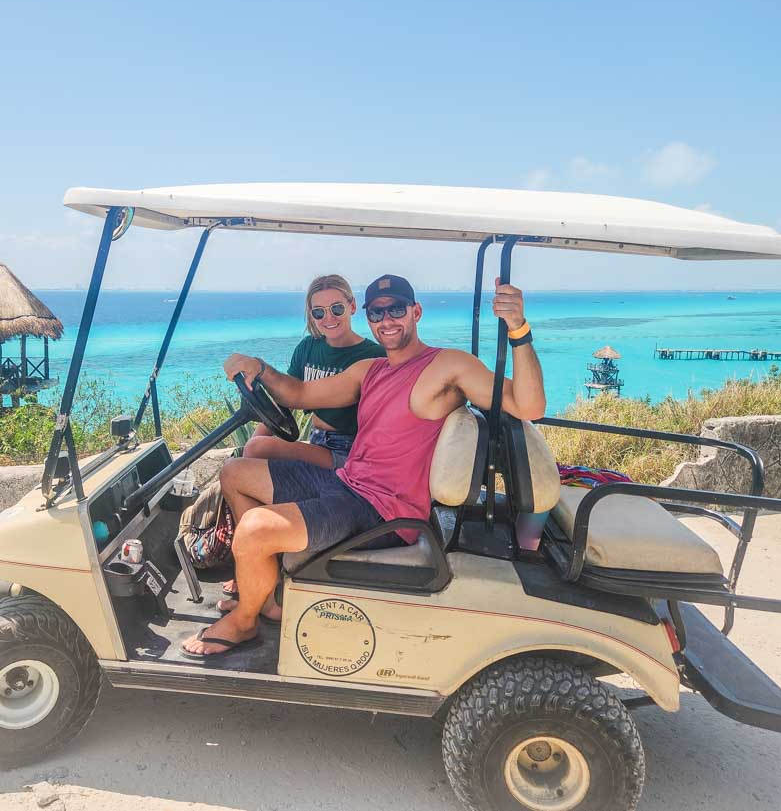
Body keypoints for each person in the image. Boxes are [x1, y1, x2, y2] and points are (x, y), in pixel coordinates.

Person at [182, 274, 546, 658]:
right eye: (377, 313)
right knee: (234, 472)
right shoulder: (370, 370)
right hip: (346, 483)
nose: (387, 321)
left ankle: (244, 622)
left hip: (383, 510)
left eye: (396, 310)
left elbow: (529, 407)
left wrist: (518, 329)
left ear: (416, 312)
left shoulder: (447, 365)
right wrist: (260, 368)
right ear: (368, 318)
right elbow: (301, 394)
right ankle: (267, 590)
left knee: (255, 530)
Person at [220, 274, 384, 604]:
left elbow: (301, 395)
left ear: (352, 306)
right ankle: (254, 561)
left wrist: (256, 449)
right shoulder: (308, 348)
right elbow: (285, 400)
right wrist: (253, 445)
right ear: (311, 316)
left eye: (337, 308)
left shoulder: (372, 356)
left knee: (255, 451)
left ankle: (256, 568)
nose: (329, 318)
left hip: (346, 452)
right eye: (319, 312)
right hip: (318, 442)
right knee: (250, 454)